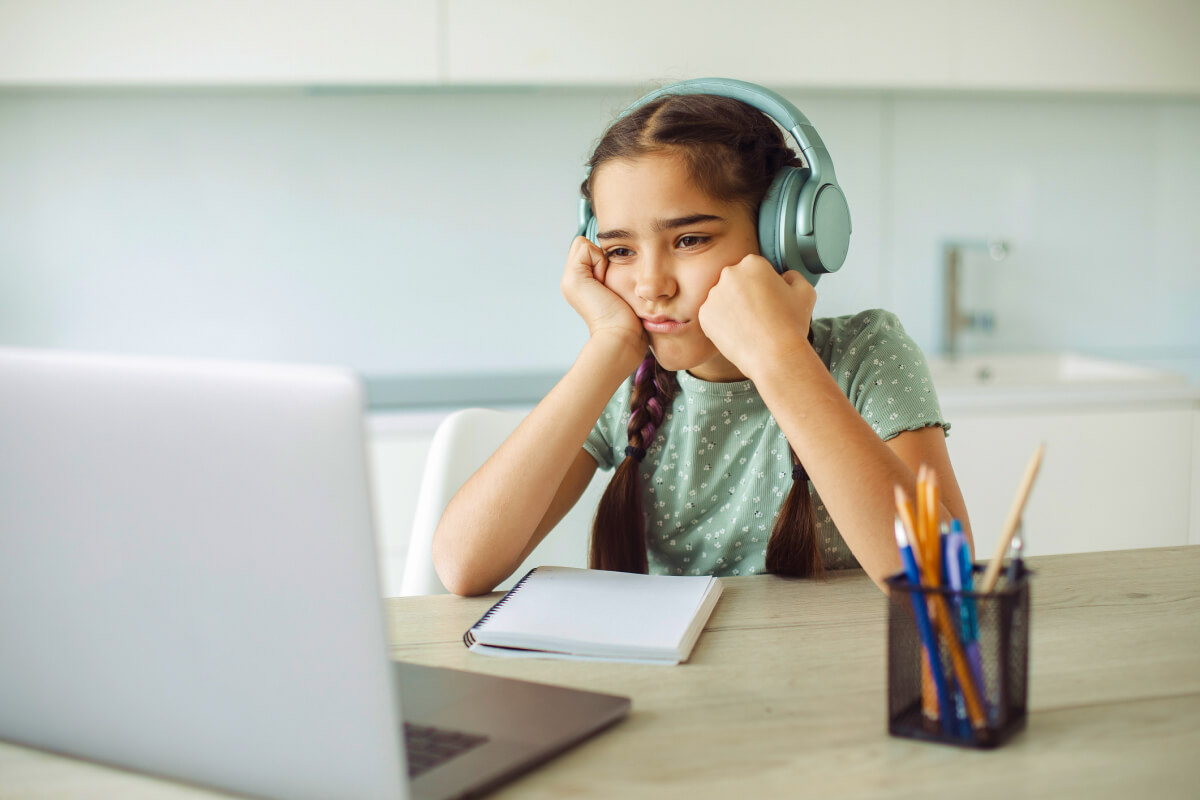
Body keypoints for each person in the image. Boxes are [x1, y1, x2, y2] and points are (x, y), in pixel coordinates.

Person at [433, 80, 971, 596]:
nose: (651, 286)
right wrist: (608, 346)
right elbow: (463, 566)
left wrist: (779, 356)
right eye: (621, 250)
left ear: (781, 239)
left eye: (689, 239)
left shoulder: (866, 353)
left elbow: (944, 581)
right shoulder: (624, 382)